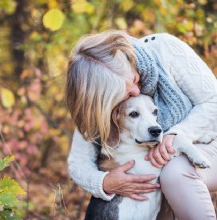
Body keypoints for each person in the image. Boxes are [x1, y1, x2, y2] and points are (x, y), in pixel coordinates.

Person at [65, 30, 217, 219]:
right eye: (125, 94)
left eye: (135, 80)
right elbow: (78, 162)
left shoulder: (165, 49)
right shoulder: (98, 103)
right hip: (154, 173)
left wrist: (177, 134)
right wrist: (104, 182)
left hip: (209, 143)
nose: (137, 91)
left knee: (174, 173)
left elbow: (214, 101)